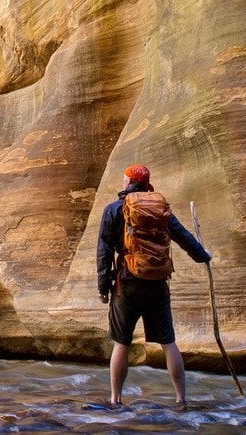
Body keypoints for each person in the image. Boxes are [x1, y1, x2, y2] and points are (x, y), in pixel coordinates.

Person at [97, 163, 211, 406]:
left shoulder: (114, 209)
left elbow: (104, 252)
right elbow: (182, 236)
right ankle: (181, 399)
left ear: (127, 182)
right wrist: (203, 256)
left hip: (126, 284)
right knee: (168, 343)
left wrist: (102, 287)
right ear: (146, 183)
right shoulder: (159, 209)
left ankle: (115, 399)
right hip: (157, 284)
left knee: (122, 343)